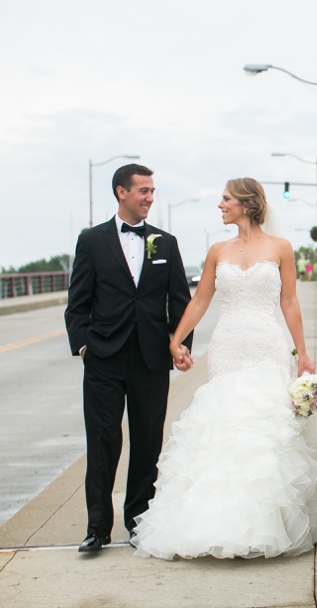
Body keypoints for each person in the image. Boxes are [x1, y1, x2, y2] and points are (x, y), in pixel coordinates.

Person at [131, 178, 317, 560]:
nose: (220, 205)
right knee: (227, 425)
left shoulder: (281, 248)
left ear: (247, 205)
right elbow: (201, 299)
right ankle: (220, 524)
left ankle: (271, 521)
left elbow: (288, 302)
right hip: (227, 346)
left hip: (268, 344)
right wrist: (177, 339)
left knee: (267, 426)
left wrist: (301, 352)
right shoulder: (217, 250)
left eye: (226, 199)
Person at [65, 163, 193, 554]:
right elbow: (78, 304)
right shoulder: (91, 241)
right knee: (103, 441)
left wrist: (180, 343)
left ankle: (139, 522)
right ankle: (97, 528)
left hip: (151, 360)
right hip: (104, 356)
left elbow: (180, 301)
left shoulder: (166, 243)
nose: (150, 198)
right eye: (144, 191)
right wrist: (85, 346)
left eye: (153, 191)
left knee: (147, 442)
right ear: (122, 192)